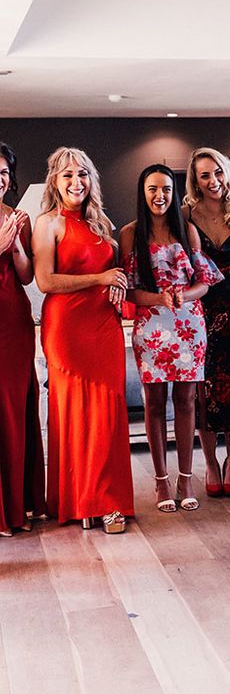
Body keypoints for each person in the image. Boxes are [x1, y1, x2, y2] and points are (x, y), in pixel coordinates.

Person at [33, 147, 134, 532]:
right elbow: (46, 282)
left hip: (103, 326)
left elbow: (114, 270)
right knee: (74, 414)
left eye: (83, 174)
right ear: (55, 183)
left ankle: (107, 501)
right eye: (68, 176)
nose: (77, 182)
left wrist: (118, 283)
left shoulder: (101, 222)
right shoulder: (48, 224)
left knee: (107, 415)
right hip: (67, 330)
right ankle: (80, 501)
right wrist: (100, 279)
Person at [120, 164, 223, 512]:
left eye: (165, 188)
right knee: (153, 402)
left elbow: (205, 282)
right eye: (152, 189)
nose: (159, 195)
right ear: (142, 193)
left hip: (188, 326)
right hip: (151, 328)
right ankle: (161, 481)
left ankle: (185, 476)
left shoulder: (187, 230)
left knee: (186, 400)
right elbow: (130, 292)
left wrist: (184, 296)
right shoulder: (131, 234)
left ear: (174, 192)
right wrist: (159, 299)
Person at [183, 148, 230, 498]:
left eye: (217, 173)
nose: (213, 181)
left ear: (227, 173)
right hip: (199, 312)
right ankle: (210, 463)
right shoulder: (186, 216)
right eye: (204, 176)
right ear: (195, 182)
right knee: (203, 393)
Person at [0, 142, 47, 536]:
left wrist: (13, 245)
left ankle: (20, 506)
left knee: (14, 407)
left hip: (13, 323)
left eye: (3, 172)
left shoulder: (19, 218)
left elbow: (28, 276)